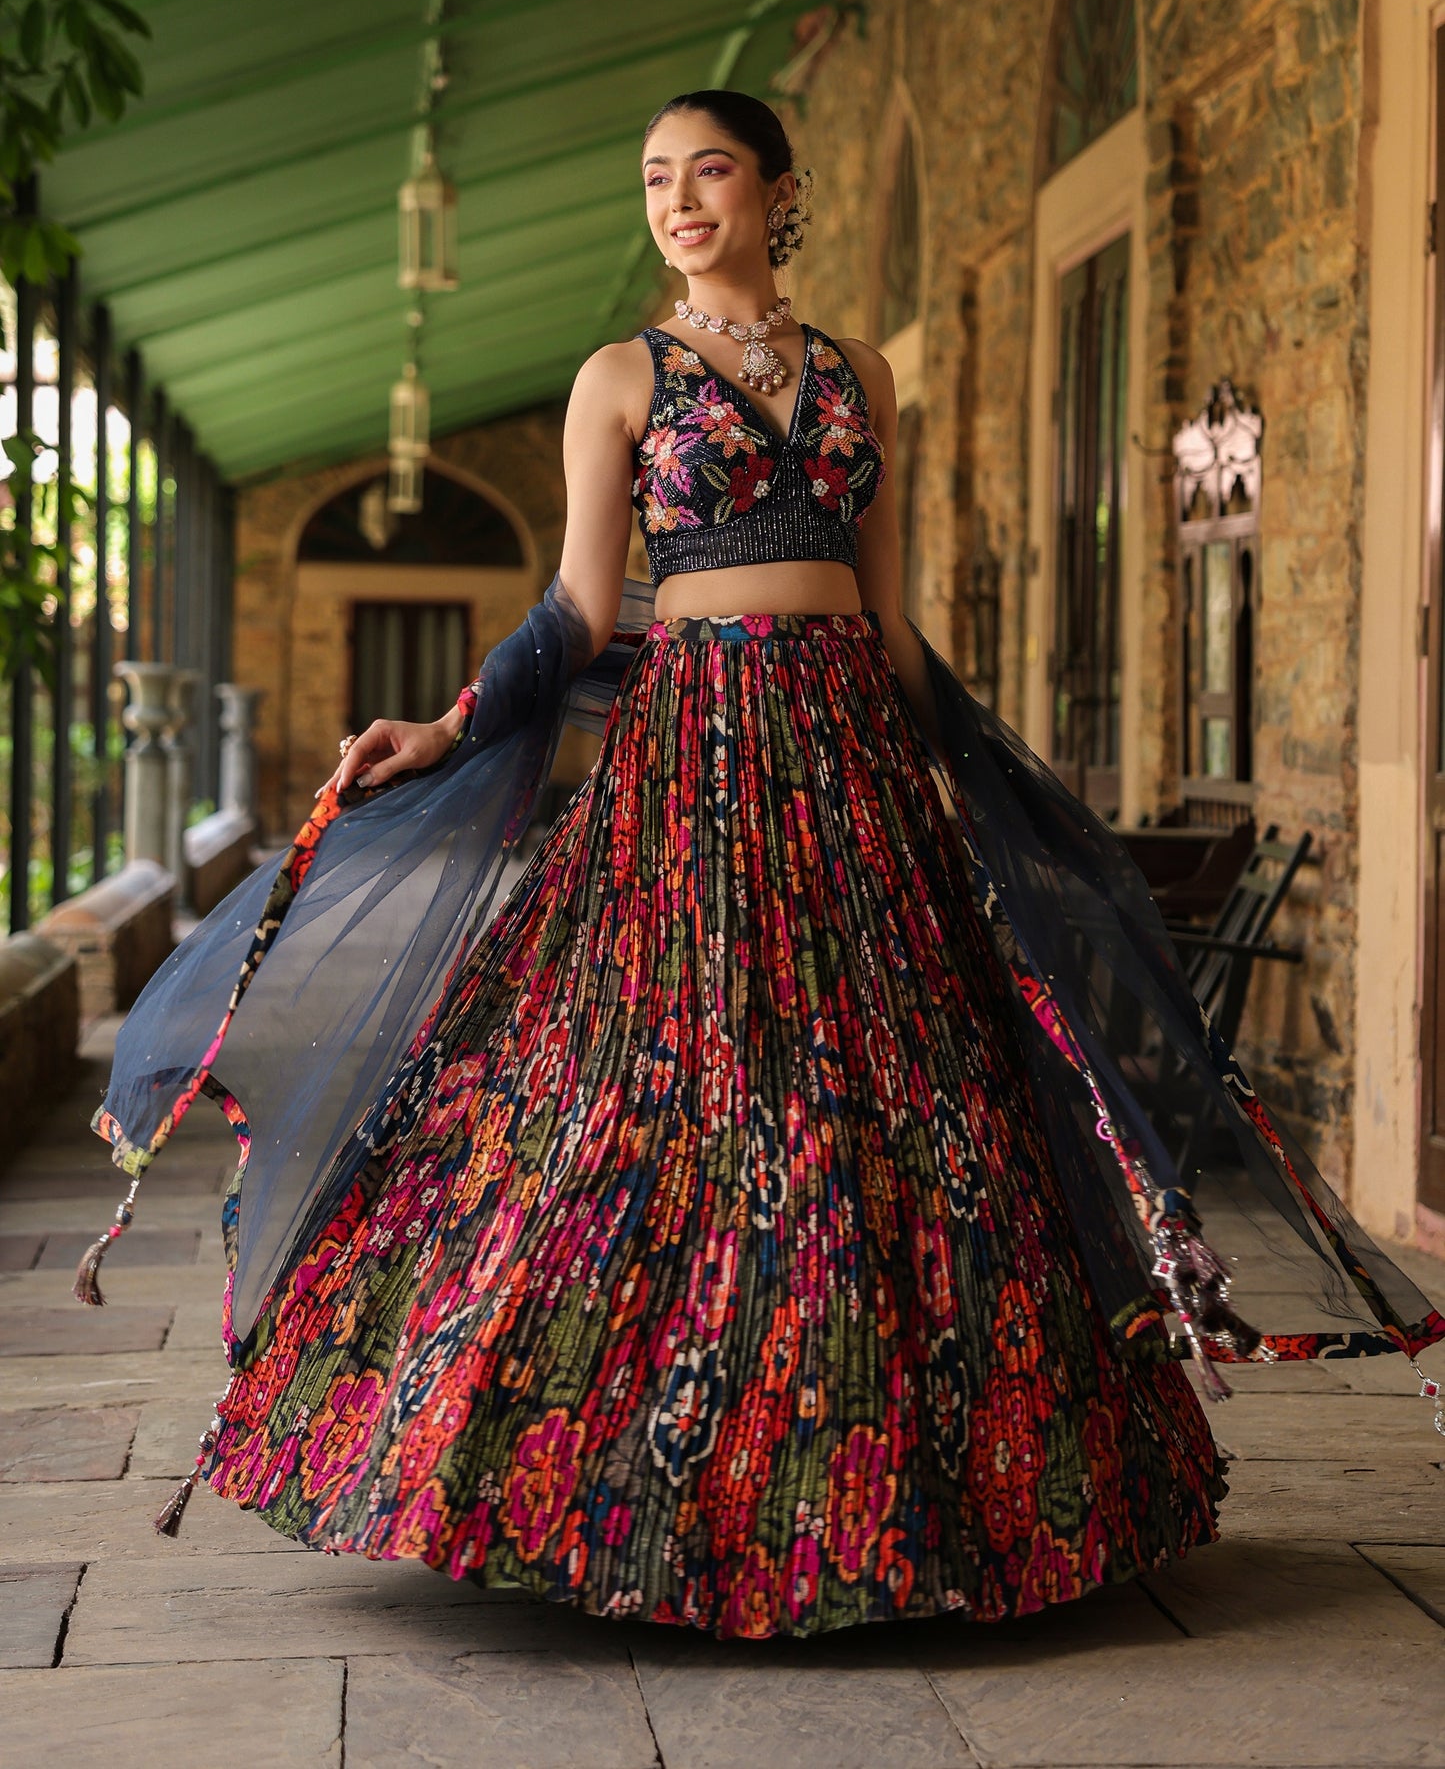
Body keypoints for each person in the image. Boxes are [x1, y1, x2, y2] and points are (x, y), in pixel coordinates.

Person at [87, 90, 1444, 1640]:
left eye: (708, 171)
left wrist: (992, 775)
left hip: (855, 772)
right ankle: (607, 1487)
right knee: (672, 1088)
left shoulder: (860, 375)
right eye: (654, 178)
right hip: (693, 772)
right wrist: (450, 727)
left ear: (777, 192)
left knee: (902, 1101)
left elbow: (888, 615)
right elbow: (580, 617)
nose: (677, 200)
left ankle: (891, 1495)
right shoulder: (621, 377)